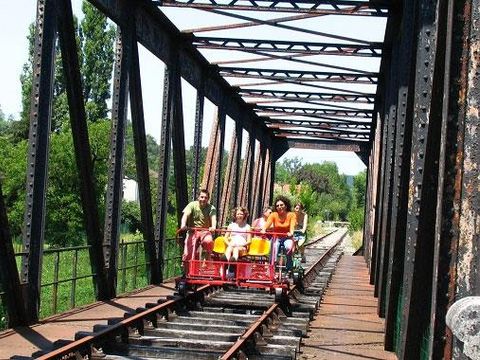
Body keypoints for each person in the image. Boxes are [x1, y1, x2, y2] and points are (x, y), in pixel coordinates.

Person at [180, 189, 217, 270]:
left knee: (209, 241)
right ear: (198, 197)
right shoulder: (192, 205)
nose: (203, 199)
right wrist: (183, 224)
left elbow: (213, 218)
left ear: (208, 199)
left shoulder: (211, 208)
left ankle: (206, 260)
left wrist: (213, 226)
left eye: (206, 198)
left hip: (205, 231)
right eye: (202, 197)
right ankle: (187, 273)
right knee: (188, 254)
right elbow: (185, 215)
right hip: (192, 231)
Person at [261, 195, 296, 273]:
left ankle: (289, 265)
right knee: (274, 246)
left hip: (287, 237)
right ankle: (273, 265)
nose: (279, 207)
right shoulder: (273, 215)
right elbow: (267, 224)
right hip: (276, 237)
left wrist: (291, 233)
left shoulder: (291, 215)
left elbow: (292, 226)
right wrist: (264, 229)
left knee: (288, 247)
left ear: (286, 206)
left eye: (281, 205)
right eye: (277, 206)